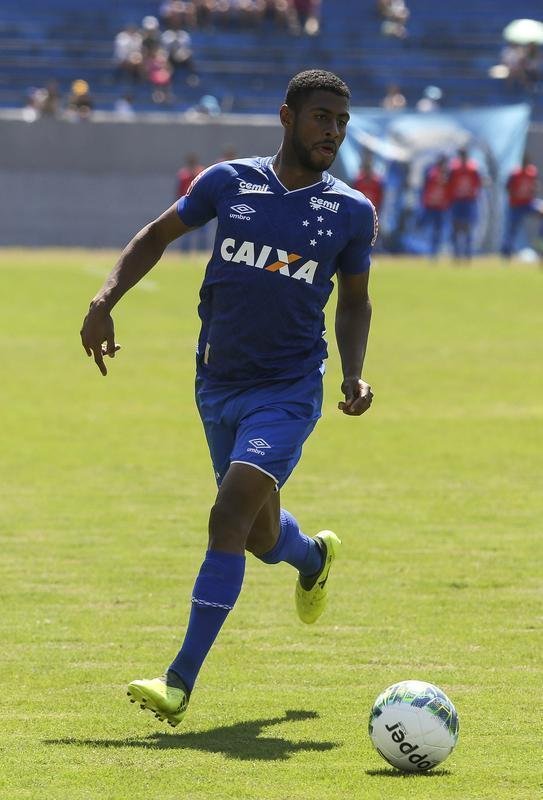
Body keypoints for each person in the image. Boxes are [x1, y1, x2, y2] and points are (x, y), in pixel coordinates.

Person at [80, 69, 377, 728]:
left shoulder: (350, 212)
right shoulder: (228, 182)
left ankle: (178, 683)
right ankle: (313, 556)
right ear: (287, 116)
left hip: (288, 390)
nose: (331, 131)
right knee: (259, 533)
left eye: (340, 122)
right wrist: (105, 300)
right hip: (216, 385)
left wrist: (353, 374)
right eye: (320, 117)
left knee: (228, 515)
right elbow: (156, 236)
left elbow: (353, 304)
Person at [501, 155, 539, 258]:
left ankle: (540, 243)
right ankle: (506, 252)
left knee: (541, 210)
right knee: (511, 229)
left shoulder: (532, 172)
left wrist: (532, 192)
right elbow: (507, 187)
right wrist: (515, 195)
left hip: (528, 203)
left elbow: (535, 186)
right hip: (516, 205)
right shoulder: (514, 174)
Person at [447, 148, 482, 261]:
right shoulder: (454, 169)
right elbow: (448, 183)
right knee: (456, 228)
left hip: (468, 201)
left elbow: (478, 183)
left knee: (467, 228)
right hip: (457, 201)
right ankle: (456, 254)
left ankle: (467, 254)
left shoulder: (473, 169)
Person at [419, 153, 450, 257]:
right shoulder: (432, 173)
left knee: (438, 231)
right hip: (431, 206)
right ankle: (428, 251)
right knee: (428, 229)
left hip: (441, 207)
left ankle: (434, 252)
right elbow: (429, 184)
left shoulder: (447, 174)